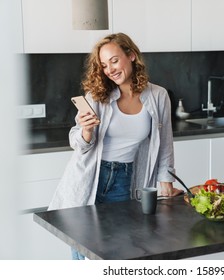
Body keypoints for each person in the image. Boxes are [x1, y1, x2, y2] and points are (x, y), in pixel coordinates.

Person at [47, 33, 183, 260]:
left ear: (131, 56)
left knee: (118, 249)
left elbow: (165, 144)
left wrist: (166, 181)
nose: (109, 69)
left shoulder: (158, 96)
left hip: (125, 180)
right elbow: (77, 142)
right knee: (83, 249)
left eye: (114, 60)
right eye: (103, 64)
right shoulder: (97, 95)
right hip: (90, 177)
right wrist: (86, 131)